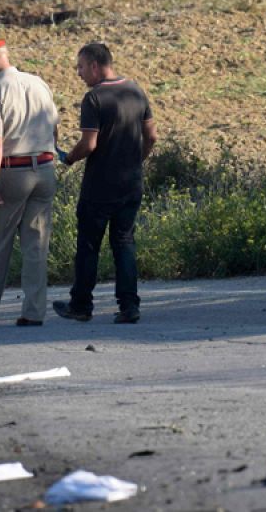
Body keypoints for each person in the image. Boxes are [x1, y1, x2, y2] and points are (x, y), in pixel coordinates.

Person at [54, 42, 156, 324]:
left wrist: (69, 159)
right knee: (124, 241)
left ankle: (81, 304)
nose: (79, 73)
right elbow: (152, 136)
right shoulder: (135, 90)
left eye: (81, 67)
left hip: (100, 185)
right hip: (131, 183)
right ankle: (129, 305)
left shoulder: (94, 98)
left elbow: (89, 143)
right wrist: (137, 160)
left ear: (96, 66)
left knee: (88, 245)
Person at [0, 38, 60, 327]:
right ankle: (33, 312)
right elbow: (55, 126)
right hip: (44, 169)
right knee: (36, 245)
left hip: (13, 172)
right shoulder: (38, 83)